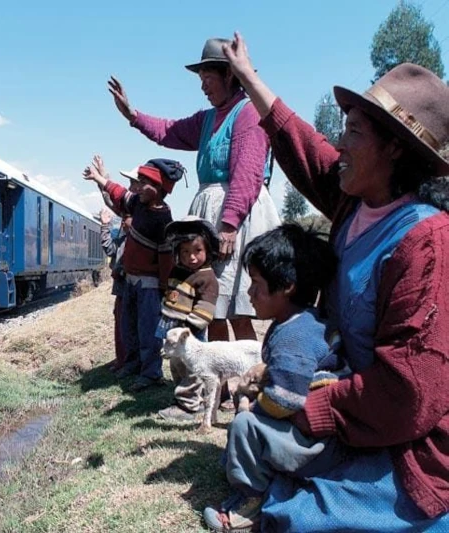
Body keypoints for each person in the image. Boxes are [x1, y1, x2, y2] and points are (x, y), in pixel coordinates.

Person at [220, 32, 449, 531]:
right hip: (346, 407)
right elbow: (304, 147)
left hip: (400, 433)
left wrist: (314, 407)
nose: (339, 145)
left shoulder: (426, 242)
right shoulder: (353, 202)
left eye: (354, 133)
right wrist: (248, 78)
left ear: (395, 147)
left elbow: (410, 394)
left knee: (295, 517)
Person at [108, 38, 280, 348]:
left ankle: (247, 372)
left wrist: (229, 225)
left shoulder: (248, 113)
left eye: (207, 78)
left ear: (229, 75)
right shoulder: (208, 119)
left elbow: (247, 173)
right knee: (213, 310)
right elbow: (169, 130)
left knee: (238, 313)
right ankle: (219, 374)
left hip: (236, 216)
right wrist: (133, 116)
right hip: (212, 215)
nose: (202, 87)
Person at [202, 223, 344, 532]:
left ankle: (251, 501)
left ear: (287, 286)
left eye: (255, 283)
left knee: (244, 424)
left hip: (317, 446)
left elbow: (285, 400)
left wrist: (248, 406)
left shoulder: (293, 336)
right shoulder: (302, 322)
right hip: (321, 437)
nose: (249, 292)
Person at [83, 157, 184, 391]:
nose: (136, 187)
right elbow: (118, 192)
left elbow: (166, 258)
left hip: (149, 285)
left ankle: (151, 373)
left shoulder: (163, 219)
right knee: (129, 327)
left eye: (142, 183)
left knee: (148, 331)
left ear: (158, 188)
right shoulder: (138, 203)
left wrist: (166, 287)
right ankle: (132, 364)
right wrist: (99, 178)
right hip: (130, 280)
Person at [154, 216, 220, 422]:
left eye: (197, 251)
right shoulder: (178, 270)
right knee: (177, 365)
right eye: (185, 252)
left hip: (189, 332)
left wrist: (186, 330)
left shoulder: (207, 278)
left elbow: (204, 311)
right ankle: (188, 399)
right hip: (172, 327)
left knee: (191, 368)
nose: (191, 257)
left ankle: (188, 406)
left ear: (208, 250)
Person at [99, 207, 133, 372]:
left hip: (131, 289)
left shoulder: (139, 241)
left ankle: (128, 361)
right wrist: (105, 226)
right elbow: (110, 249)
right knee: (120, 324)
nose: (123, 222)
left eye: (126, 218)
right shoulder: (122, 238)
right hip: (121, 289)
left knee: (128, 326)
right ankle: (122, 359)